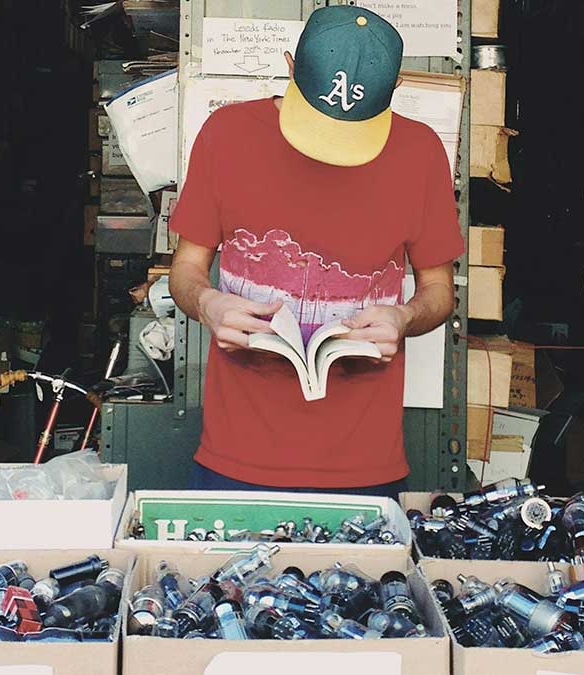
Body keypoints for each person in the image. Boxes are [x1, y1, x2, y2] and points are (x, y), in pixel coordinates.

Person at [168, 5, 464, 499]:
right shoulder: (227, 133)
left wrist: (404, 318)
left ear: (393, 93)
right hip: (234, 455)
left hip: (364, 465)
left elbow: (439, 291)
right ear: (288, 66)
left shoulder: (421, 151)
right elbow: (186, 268)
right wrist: (207, 303)